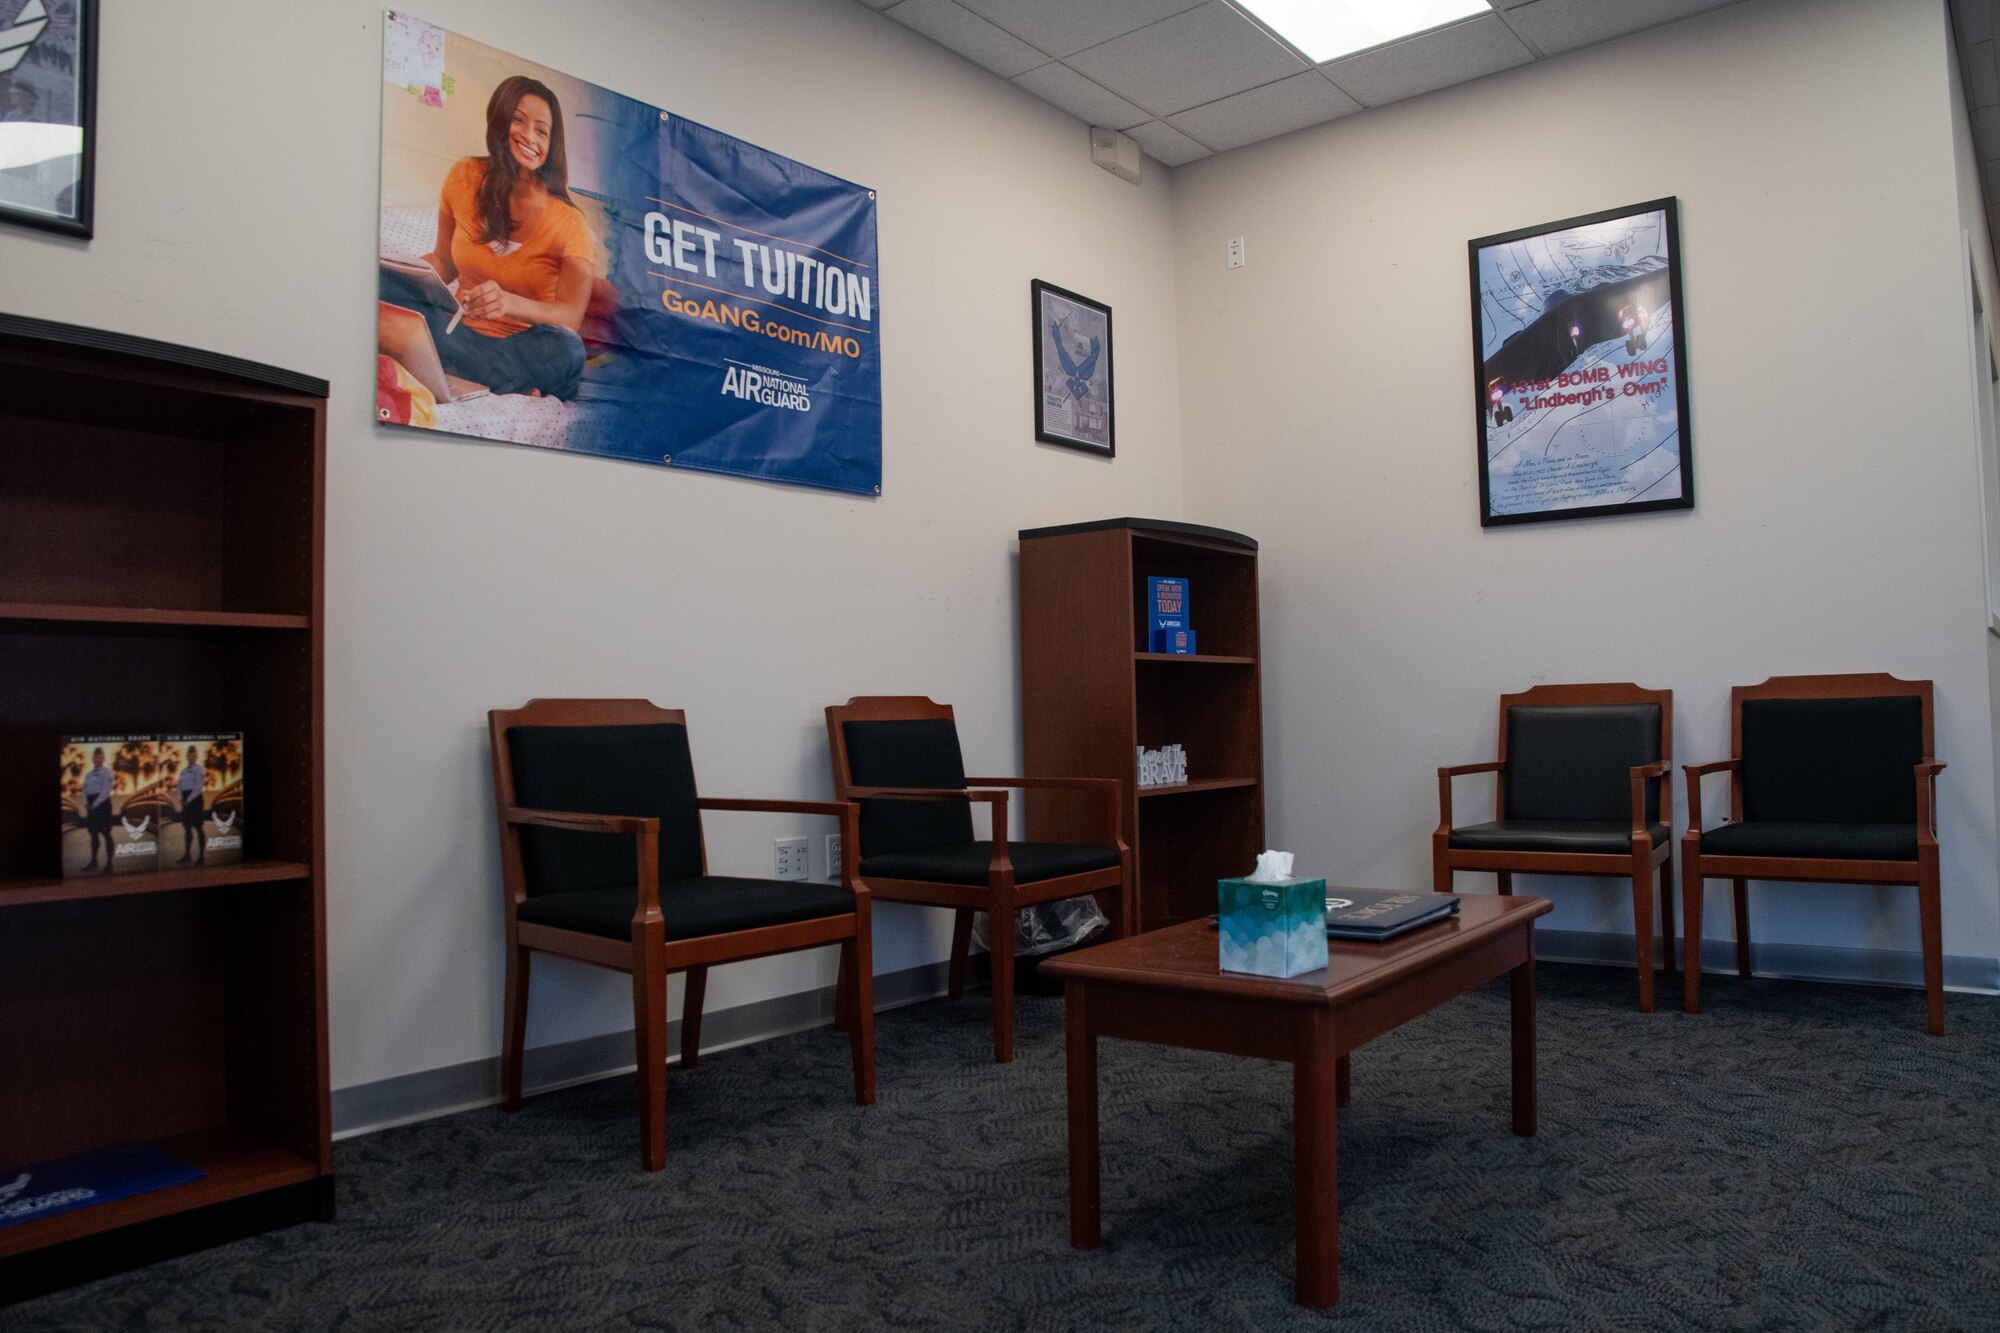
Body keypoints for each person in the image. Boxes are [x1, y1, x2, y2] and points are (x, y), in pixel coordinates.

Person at [379, 75, 592, 399]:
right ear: (500, 119)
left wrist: (508, 303)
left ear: (551, 145)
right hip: (456, 332)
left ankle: (455, 374)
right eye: (518, 120)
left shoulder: (569, 222)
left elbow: (571, 316)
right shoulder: (464, 176)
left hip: (515, 349)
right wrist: (409, 275)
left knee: (568, 349)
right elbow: (444, 262)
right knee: (380, 282)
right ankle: (478, 380)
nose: (528, 136)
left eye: (541, 131)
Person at [80, 746, 113, 873]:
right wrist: (86, 803)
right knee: (93, 834)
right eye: (95, 756)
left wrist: (96, 804)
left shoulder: (107, 772)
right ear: (92, 758)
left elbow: (105, 790)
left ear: (103, 758)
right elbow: (84, 791)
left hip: (103, 804)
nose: (97, 759)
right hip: (91, 804)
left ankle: (109, 863)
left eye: (100, 756)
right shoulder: (88, 775)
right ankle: (93, 861)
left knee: (106, 833)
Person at [174, 744, 207, 867]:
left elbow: (198, 787)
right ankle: (187, 855)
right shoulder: (183, 771)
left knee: (198, 828)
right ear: (187, 756)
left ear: (196, 756)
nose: (191, 756)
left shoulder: (199, 769)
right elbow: (179, 787)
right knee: (187, 828)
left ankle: (201, 857)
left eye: (193, 754)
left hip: (195, 800)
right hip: (185, 801)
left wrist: (189, 799)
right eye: (189, 754)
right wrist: (182, 799)